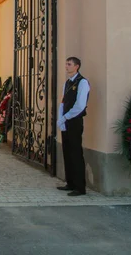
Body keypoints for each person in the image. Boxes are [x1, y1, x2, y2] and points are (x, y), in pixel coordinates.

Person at [57, 57, 90, 197]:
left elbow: (80, 105)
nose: (66, 66)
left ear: (77, 66)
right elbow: (63, 102)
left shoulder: (82, 82)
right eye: (66, 64)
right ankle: (70, 182)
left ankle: (80, 187)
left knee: (76, 153)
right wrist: (61, 119)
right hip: (66, 121)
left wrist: (66, 117)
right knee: (67, 151)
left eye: (69, 64)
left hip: (75, 121)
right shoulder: (67, 83)